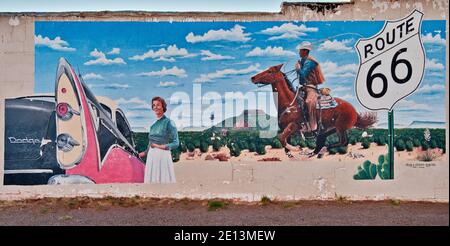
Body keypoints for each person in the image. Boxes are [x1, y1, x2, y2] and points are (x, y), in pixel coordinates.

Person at [139, 96, 179, 183]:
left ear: (163, 106)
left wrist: (159, 146)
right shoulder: (153, 126)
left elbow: (176, 143)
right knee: (151, 183)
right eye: (153, 105)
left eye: (158, 105)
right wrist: (143, 153)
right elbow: (150, 143)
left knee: (163, 183)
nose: (155, 107)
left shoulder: (169, 122)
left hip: (163, 155)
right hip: (151, 156)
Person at [295, 41, 325, 134]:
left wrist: (298, 69)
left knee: (309, 102)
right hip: (303, 87)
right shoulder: (303, 60)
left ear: (305, 51)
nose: (299, 52)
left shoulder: (310, 61)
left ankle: (313, 125)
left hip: (311, 87)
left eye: (300, 50)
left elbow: (304, 74)